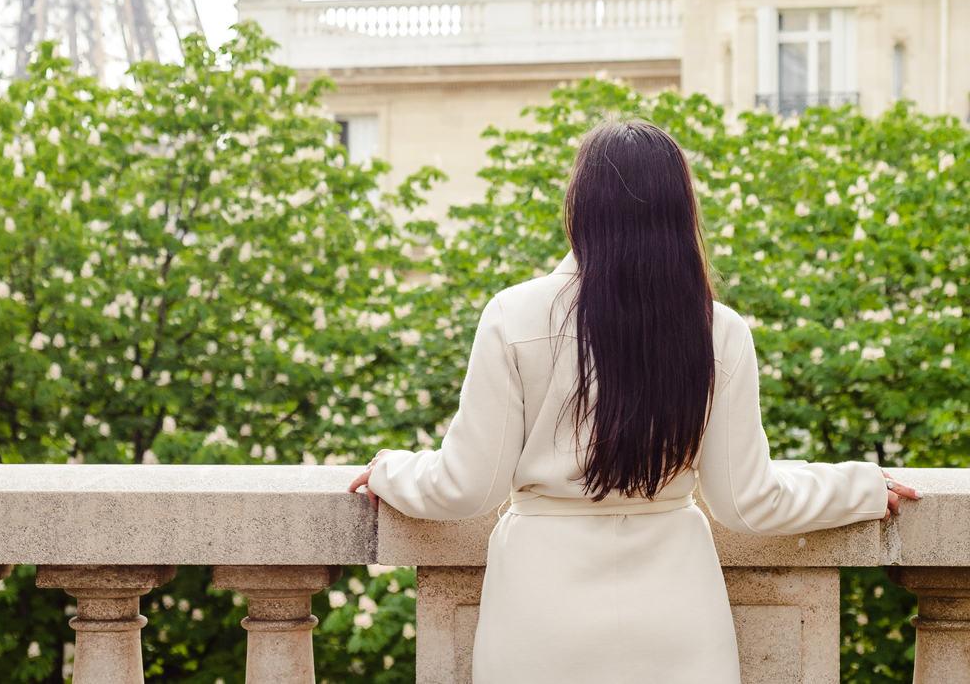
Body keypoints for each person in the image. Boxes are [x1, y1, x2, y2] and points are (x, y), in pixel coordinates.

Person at [349, 118, 919, 683]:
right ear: (680, 212)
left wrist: (391, 472)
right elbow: (748, 501)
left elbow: (465, 487)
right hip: (678, 616)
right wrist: (861, 487)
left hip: (541, 616)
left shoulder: (513, 315)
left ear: (579, 208)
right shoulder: (719, 330)